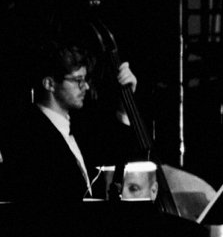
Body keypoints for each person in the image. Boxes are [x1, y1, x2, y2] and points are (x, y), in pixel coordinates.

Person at [0, 40, 139, 203]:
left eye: (85, 79)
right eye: (78, 80)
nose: (85, 86)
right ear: (50, 84)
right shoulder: (27, 135)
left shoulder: (80, 128)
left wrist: (124, 108)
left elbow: (118, 154)